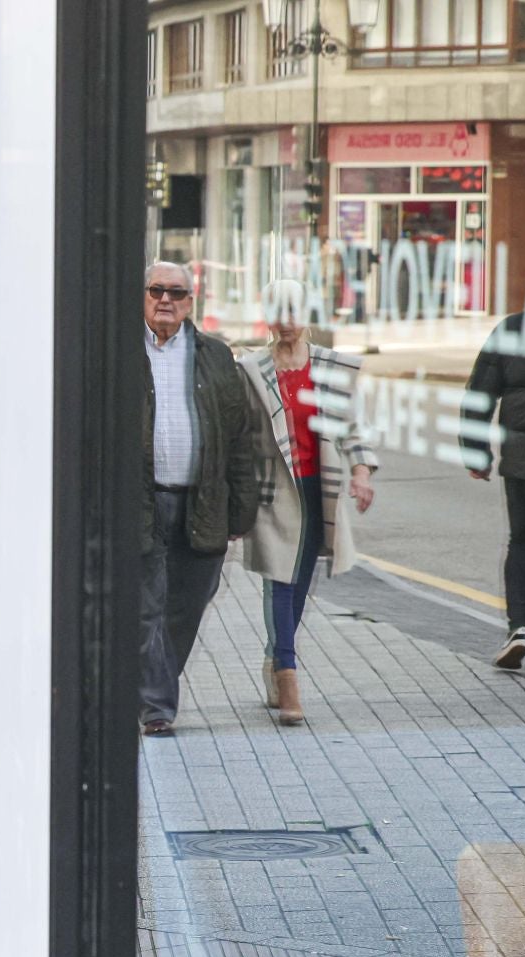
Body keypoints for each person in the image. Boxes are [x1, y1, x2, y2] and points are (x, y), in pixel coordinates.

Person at [238, 278, 377, 726]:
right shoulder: (253, 369)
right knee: (278, 578)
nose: (287, 322)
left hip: (321, 487)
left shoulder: (331, 368)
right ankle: (288, 673)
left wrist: (360, 473)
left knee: (299, 582)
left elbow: (354, 429)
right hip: (274, 489)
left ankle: (274, 658)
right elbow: (238, 436)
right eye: (279, 312)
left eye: (294, 311)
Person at [137, 261, 260, 737]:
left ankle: (151, 688)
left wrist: (241, 510)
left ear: (191, 301)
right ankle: (156, 707)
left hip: (202, 504)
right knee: (146, 607)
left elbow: (239, 437)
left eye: (176, 293)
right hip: (140, 505)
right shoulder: (118, 351)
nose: (165, 300)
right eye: (155, 291)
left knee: (186, 609)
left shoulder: (214, 355)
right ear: (143, 297)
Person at [462, 292, 525, 679]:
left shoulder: (513, 328)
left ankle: (518, 627)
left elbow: (479, 393)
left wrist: (476, 452)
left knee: (523, 543)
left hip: (521, 461)